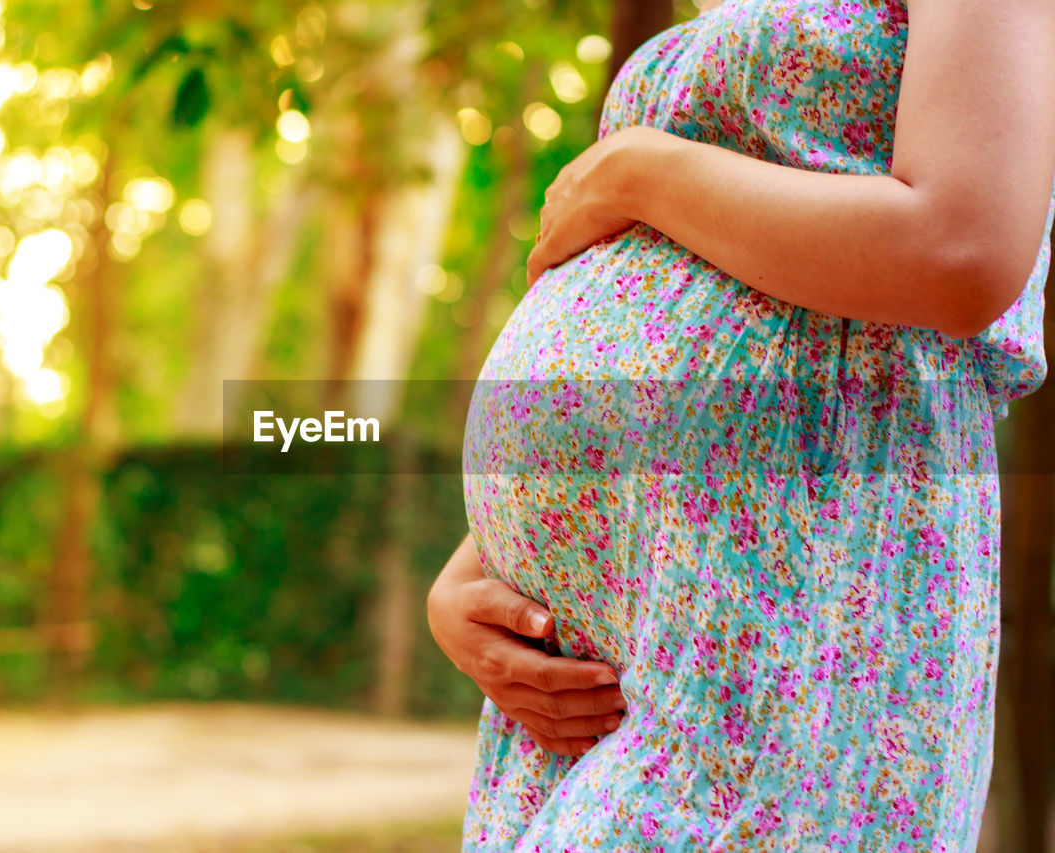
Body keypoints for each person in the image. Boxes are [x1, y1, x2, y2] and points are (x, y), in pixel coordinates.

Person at [427, 0, 1055, 849]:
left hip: (791, 628)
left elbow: (962, 246)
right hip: (583, 689)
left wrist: (633, 173)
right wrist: (476, 572)